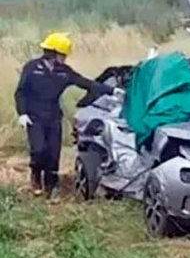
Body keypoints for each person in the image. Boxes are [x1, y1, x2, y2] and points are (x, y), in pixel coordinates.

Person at [14, 32, 121, 201]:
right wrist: (22, 113)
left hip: (53, 116)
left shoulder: (64, 72)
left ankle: (52, 186)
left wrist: (113, 90)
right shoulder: (32, 68)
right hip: (34, 116)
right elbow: (20, 92)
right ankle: (35, 176)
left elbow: (86, 83)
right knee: (38, 150)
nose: (64, 58)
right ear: (52, 53)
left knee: (53, 153)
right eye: (62, 55)